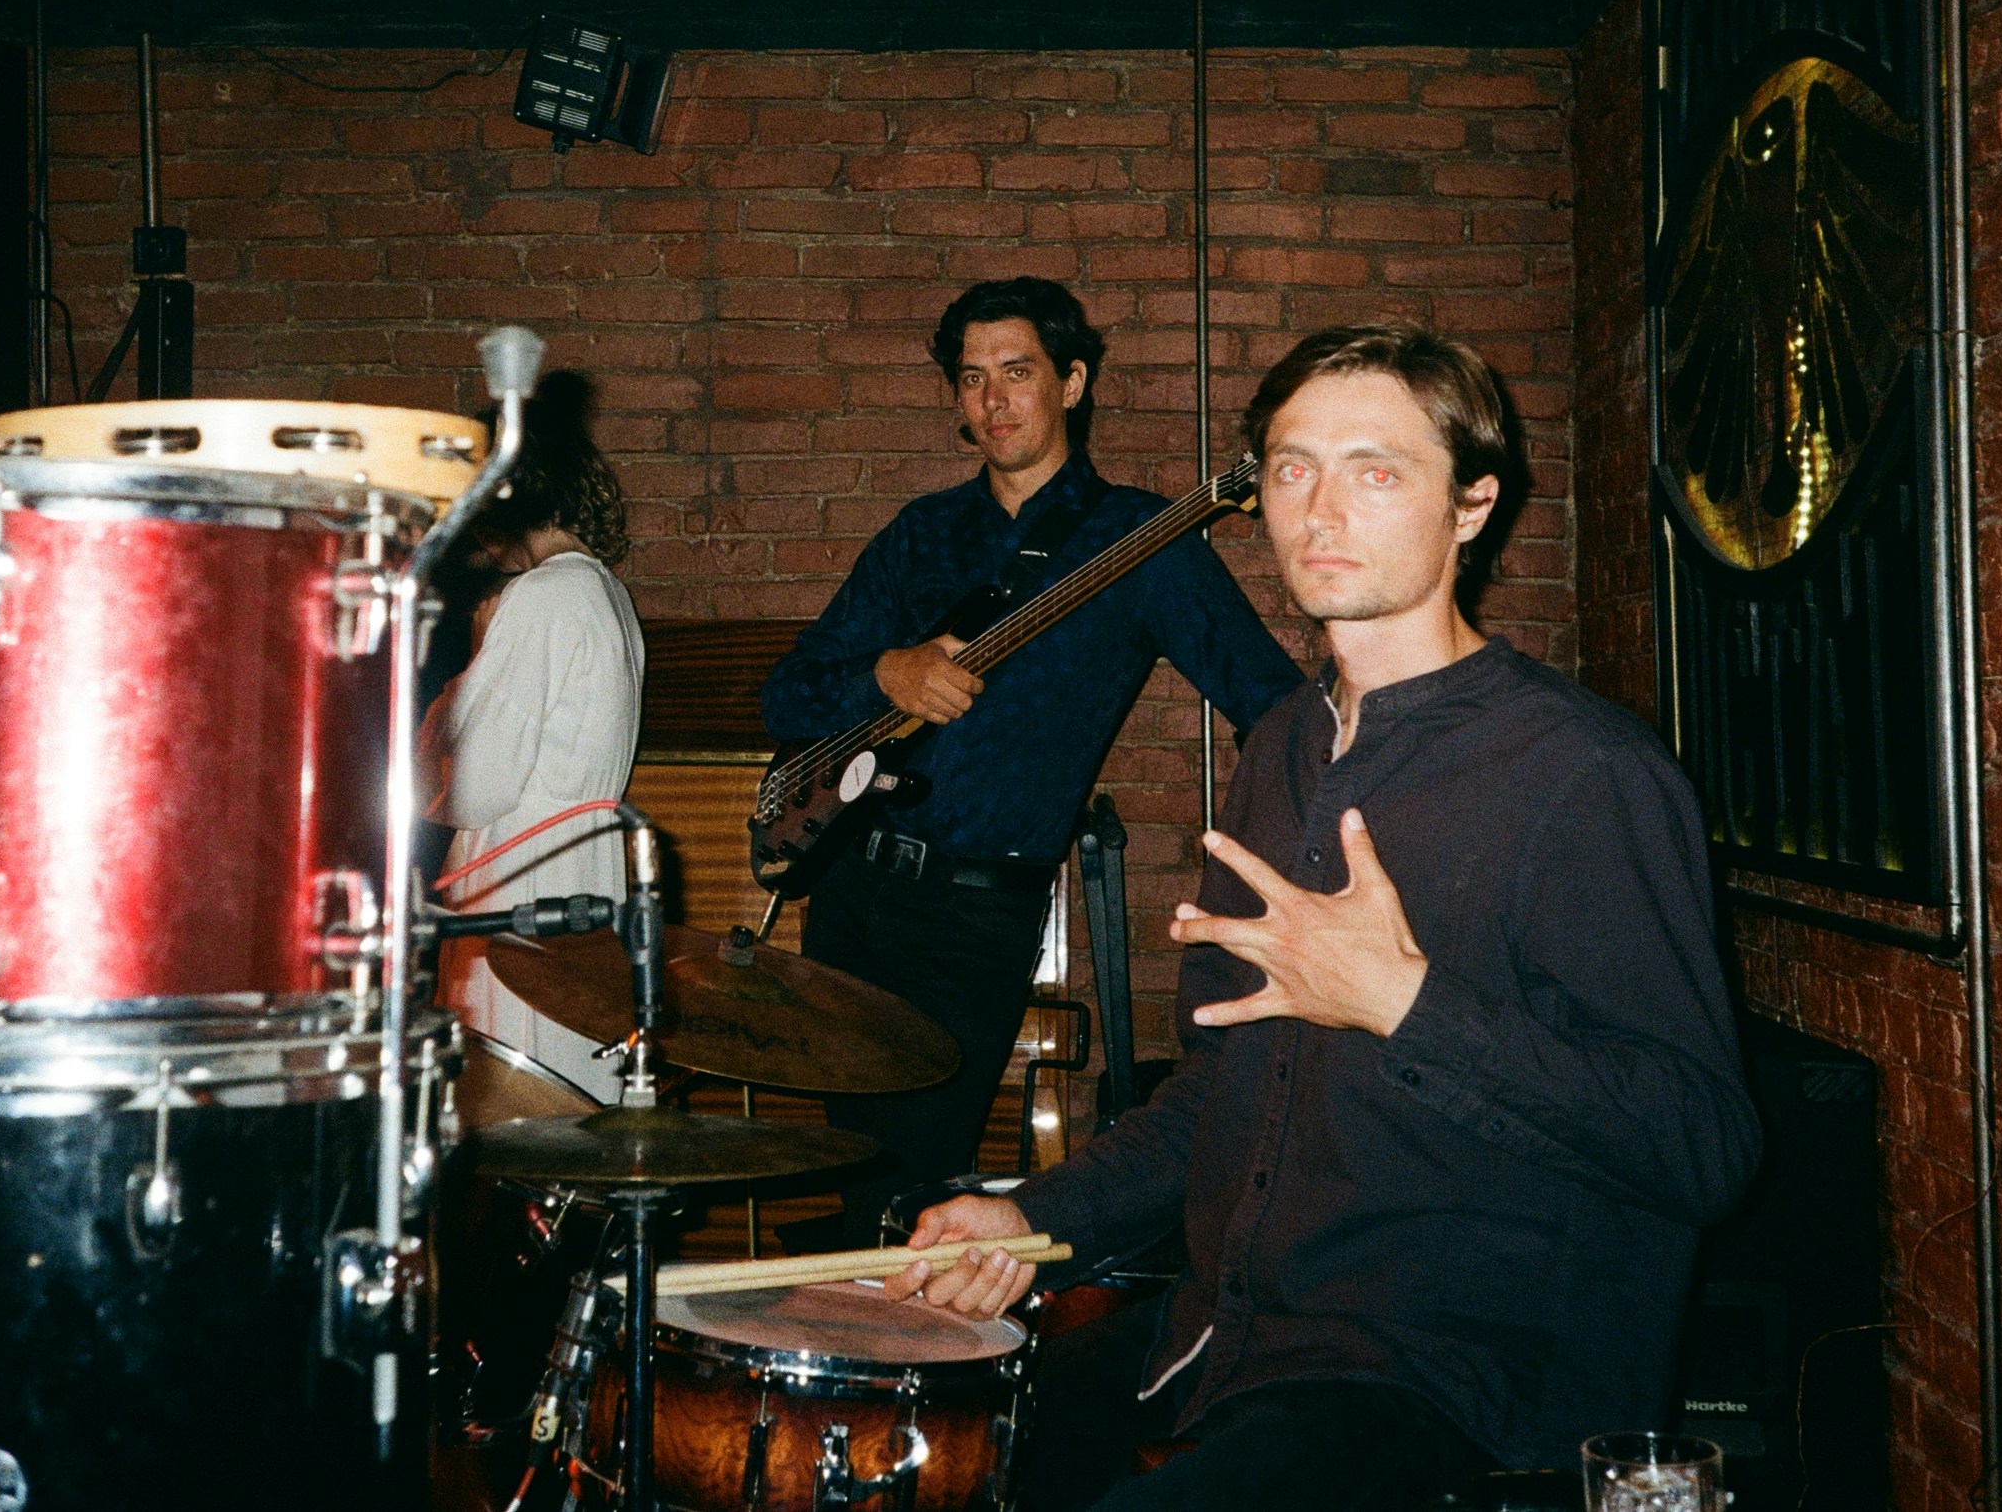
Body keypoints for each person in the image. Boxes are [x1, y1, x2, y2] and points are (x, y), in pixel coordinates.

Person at [890, 325, 1762, 1509]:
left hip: (1446, 1382)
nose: (1321, 508)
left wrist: (1405, 1003)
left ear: (1472, 503)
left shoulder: (1582, 774)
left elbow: (1700, 1144)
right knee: (940, 1461)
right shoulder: (1286, 748)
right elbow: (1222, 1085)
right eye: (1292, 467)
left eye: (1377, 468)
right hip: (1229, 1330)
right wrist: (1028, 1216)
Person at [759, 278, 1306, 1252]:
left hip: (976, 913)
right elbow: (788, 693)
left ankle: (920, 1387)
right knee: (850, 1179)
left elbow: (1271, 704)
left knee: (916, 1192)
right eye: (971, 379)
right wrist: (885, 670)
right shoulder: (919, 534)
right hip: (849, 892)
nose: (993, 400)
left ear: (1073, 380)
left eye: (1017, 372)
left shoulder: (1148, 541)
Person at [434, 376, 646, 1103]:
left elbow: (474, 787)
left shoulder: (541, 597)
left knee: (517, 1115)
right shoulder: (607, 593)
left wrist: (471, 661)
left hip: (521, 896)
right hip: (582, 886)